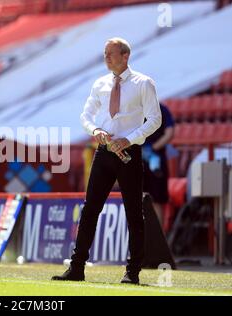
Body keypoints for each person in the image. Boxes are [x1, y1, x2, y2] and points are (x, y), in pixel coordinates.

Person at [52, 38, 161, 284]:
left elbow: (155, 119)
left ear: (125, 56)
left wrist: (130, 139)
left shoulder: (143, 83)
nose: (106, 58)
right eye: (104, 53)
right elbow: (86, 115)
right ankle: (77, 267)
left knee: (134, 212)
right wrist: (95, 131)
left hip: (128, 154)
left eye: (111, 53)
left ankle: (132, 272)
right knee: (90, 209)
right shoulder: (100, 83)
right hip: (103, 152)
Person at [142, 103, 175, 230]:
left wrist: (153, 148)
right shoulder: (136, 109)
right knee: (145, 200)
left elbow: (170, 133)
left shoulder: (161, 110)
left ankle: (157, 240)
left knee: (156, 200)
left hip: (155, 162)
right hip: (141, 159)